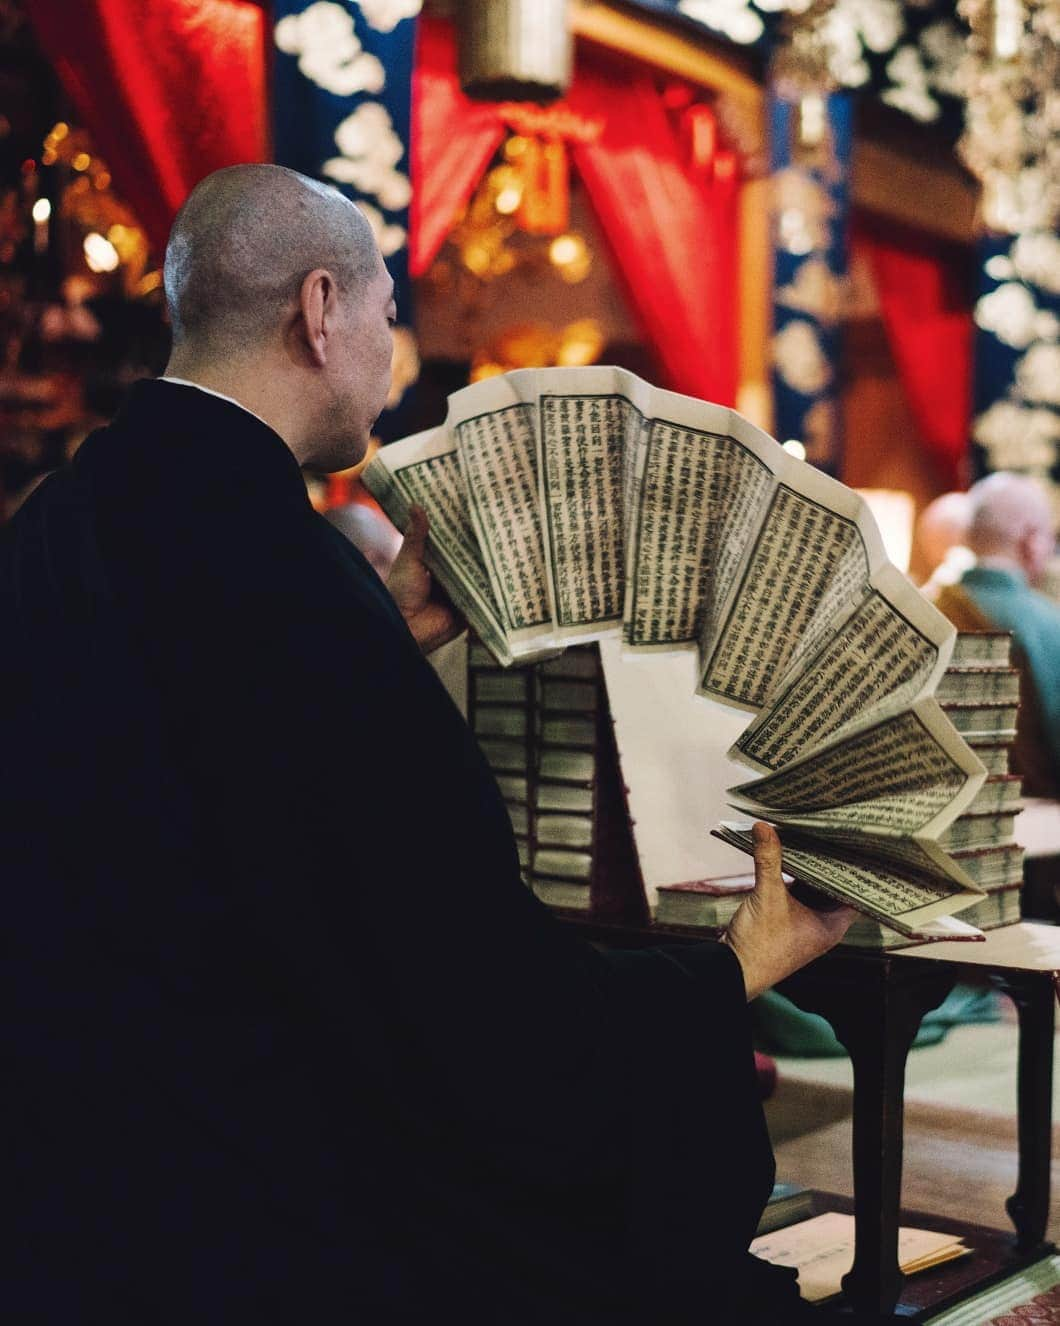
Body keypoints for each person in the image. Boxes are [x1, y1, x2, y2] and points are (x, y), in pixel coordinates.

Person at [3, 165, 853, 1323]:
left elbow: (201, 788)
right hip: (264, 1205)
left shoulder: (57, 523)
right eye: (388, 311)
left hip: (66, 1166)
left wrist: (385, 641)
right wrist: (733, 966)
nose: (390, 348)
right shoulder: (291, 581)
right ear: (319, 311)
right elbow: (480, 1010)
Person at [935, 472, 1060, 797]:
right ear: (1030, 539)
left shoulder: (924, 612)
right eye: (1050, 538)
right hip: (1035, 823)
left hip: (936, 814)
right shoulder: (1049, 624)